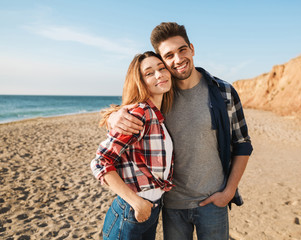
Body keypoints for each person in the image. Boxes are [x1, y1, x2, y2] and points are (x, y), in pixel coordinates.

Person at [106, 22, 253, 240]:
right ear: (162, 61)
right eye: (169, 55)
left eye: (182, 50)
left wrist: (229, 192)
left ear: (192, 49)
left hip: (214, 202)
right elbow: (132, 108)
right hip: (172, 206)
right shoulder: (161, 94)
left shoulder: (223, 92)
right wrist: (113, 117)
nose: (178, 59)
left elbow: (242, 143)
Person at [90, 51, 175, 240]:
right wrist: (137, 203)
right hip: (131, 211)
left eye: (162, 68)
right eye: (149, 73)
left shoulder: (158, 116)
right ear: (140, 81)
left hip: (151, 209)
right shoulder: (140, 113)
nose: (159, 74)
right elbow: (100, 161)